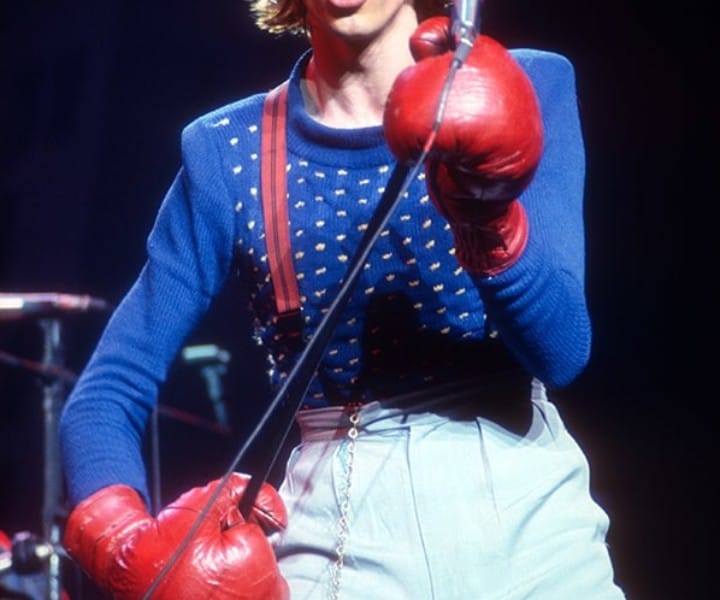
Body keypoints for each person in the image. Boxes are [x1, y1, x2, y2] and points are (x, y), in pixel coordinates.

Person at [58, 0, 626, 598]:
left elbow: (562, 352)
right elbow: (103, 397)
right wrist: (122, 544)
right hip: (338, 539)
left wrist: (490, 215)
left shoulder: (525, 83)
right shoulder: (229, 150)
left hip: (529, 519)